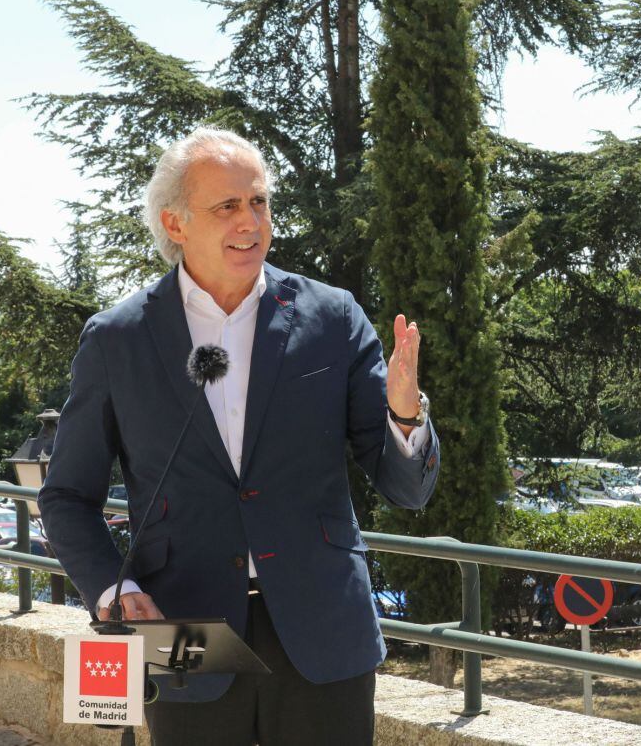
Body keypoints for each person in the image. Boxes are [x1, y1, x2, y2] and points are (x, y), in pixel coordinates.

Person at [38, 128, 440, 745]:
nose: (250, 220)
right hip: (184, 631)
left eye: (259, 202)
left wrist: (406, 418)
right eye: (226, 206)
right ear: (175, 224)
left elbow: (406, 490)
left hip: (322, 629)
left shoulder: (333, 317)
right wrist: (114, 588)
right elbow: (67, 495)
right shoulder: (118, 339)